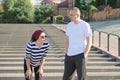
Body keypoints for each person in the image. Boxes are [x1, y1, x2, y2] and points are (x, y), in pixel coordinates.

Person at [63, 7, 92, 80]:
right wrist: (66, 53)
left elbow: (89, 41)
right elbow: (67, 40)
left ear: (78, 15)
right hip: (69, 56)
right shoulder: (69, 25)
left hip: (80, 55)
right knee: (66, 78)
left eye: (72, 15)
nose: (70, 16)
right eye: (70, 15)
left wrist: (85, 55)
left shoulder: (85, 25)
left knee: (82, 78)